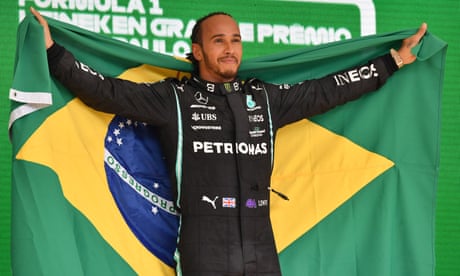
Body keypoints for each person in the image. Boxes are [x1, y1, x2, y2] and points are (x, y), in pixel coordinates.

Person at [30, 7, 427, 276]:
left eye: (235, 40)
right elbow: (106, 92)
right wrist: (52, 52)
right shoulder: (174, 99)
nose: (230, 48)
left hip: (260, 242)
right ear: (197, 51)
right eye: (219, 41)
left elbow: (327, 90)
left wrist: (391, 62)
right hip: (204, 243)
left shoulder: (265, 99)